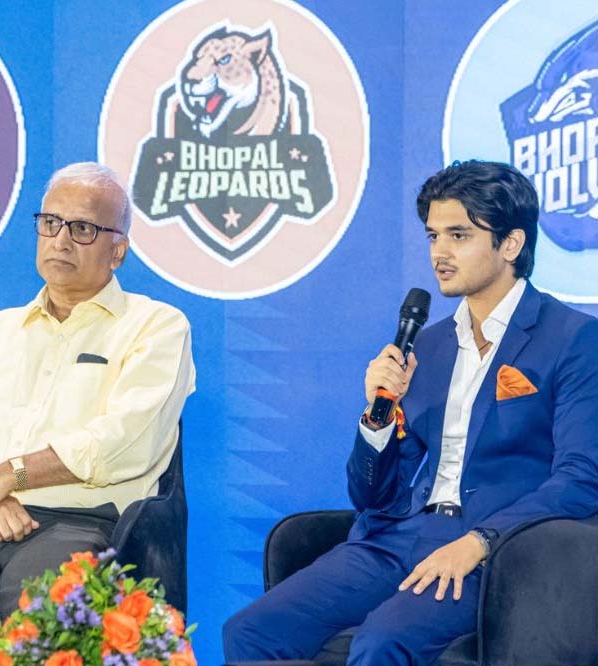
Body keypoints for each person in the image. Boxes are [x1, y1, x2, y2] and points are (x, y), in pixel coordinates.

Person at [223, 160, 598, 665]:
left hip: (497, 549)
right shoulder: (429, 345)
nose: (440, 253)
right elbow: (373, 495)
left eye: (459, 236)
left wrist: (480, 541)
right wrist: (377, 414)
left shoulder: (573, 338)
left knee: (380, 643)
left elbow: (580, 478)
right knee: (251, 631)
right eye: (433, 236)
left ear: (511, 244)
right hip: (396, 538)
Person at [0, 162, 195, 616]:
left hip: (78, 525)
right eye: (50, 223)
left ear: (117, 251)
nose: (61, 240)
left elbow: (122, 444)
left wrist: (7, 475)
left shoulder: (155, 326)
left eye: (83, 228)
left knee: (41, 618)